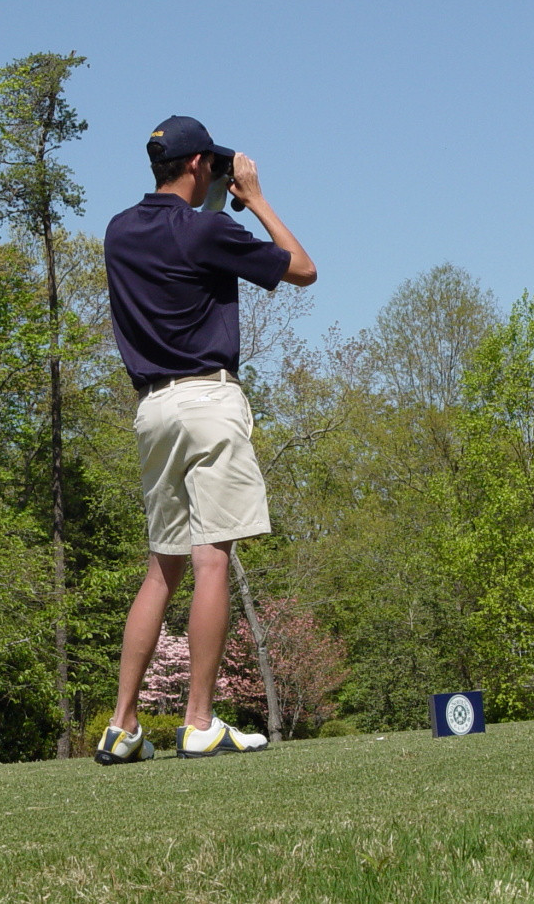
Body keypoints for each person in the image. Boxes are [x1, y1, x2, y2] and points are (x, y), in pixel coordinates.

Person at [96, 116, 316, 763]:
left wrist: (220, 201)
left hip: (153, 411)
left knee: (162, 566)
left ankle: (123, 725)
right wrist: (255, 197)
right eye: (214, 169)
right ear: (197, 165)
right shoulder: (211, 228)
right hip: (209, 399)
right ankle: (198, 722)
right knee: (211, 557)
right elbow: (302, 270)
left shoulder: (119, 230)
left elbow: (172, 249)